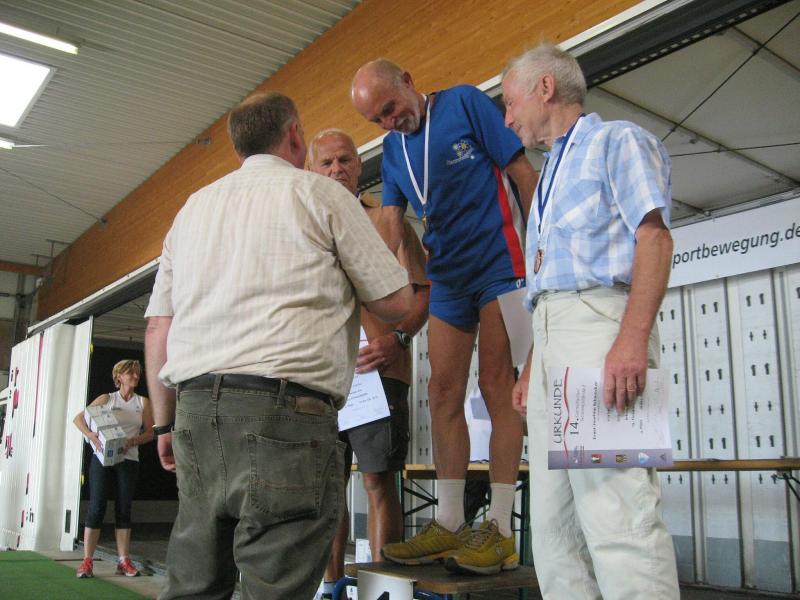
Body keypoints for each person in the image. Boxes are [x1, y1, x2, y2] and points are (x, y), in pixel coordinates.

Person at [144, 91, 413, 600]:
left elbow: (159, 326)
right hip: (285, 415)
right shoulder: (322, 195)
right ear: (294, 135)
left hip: (195, 414)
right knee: (274, 588)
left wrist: (163, 424)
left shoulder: (193, 208)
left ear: (237, 146)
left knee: (193, 585)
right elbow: (397, 302)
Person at [503, 43, 680, 599]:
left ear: (545, 88)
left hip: (602, 327)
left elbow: (654, 238)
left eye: (509, 103)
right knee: (553, 528)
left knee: (618, 513)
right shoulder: (548, 175)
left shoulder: (617, 141)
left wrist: (632, 341)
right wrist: (533, 364)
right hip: (552, 335)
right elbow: (548, 280)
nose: (507, 119)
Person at [351, 59, 538, 575]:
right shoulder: (393, 150)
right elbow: (391, 229)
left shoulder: (464, 102)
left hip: (501, 265)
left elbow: (524, 175)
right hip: (449, 280)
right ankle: (451, 520)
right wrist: (361, 285)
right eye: (377, 119)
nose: (389, 122)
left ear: (409, 81)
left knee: (498, 385)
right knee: (441, 392)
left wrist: (543, 253)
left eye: (390, 108)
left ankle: (500, 528)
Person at [308, 128, 429, 597]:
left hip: (379, 375)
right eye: (326, 162)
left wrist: (398, 338)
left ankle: (383, 590)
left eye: (344, 160)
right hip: (322, 378)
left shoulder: (388, 220)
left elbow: (424, 292)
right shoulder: (303, 229)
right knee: (327, 487)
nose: (336, 169)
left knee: (379, 479)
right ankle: (331, 586)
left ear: (359, 165)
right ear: (311, 169)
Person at [72, 359, 154, 579]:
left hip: (129, 460)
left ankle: (123, 561)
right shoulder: (107, 399)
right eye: (131, 373)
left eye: (137, 373)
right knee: (97, 506)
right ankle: (87, 561)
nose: (135, 376)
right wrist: (91, 436)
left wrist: (133, 441)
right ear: (119, 376)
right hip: (102, 459)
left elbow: (150, 433)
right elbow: (79, 419)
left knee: (123, 509)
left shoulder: (142, 402)